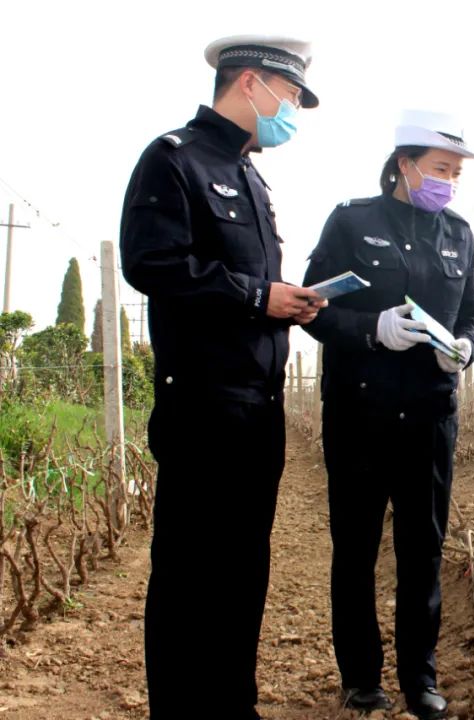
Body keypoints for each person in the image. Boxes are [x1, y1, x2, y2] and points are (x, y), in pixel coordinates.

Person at [119, 34, 325, 719]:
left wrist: (282, 299)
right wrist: (254, 296)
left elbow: (247, 285)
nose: (292, 111)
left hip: (257, 409)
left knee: (243, 573)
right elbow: (151, 264)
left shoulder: (252, 178)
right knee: (188, 577)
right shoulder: (173, 160)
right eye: (290, 96)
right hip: (201, 407)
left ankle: (234, 705)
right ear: (249, 83)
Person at [301, 110, 474, 720]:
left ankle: (420, 679)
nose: (448, 182)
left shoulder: (459, 234)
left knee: (423, 549)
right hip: (358, 413)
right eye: (439, 169)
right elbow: (312, 309)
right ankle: (361, 679)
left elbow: (473, 319)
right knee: (355, 546)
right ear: (404, 165)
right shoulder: (352, 223)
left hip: (431, 416)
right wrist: (372, 329)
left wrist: (467, 349)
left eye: (455, 173)